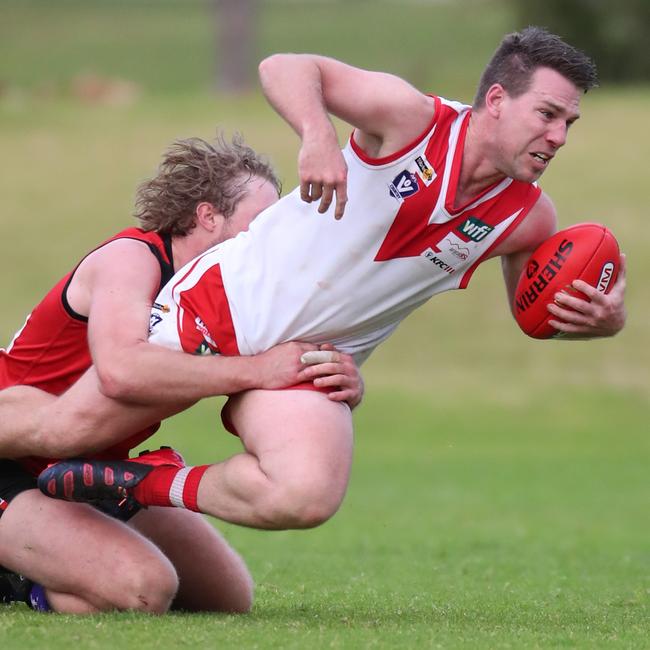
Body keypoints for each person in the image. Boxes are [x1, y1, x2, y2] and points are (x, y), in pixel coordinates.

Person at [38, 26, 626, 541]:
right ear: (496, 100)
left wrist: (601, 322)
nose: (558, 138)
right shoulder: (410, 120)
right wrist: (317, 136)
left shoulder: (529, 218)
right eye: (547, 115)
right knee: (63, 433)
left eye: (569, 123)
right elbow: (285, 68)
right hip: (221, 309)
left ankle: (142, 484)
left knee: (304, 495)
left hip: (306, 363)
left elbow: (537, 312)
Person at [0, 134, 364, 614]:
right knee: (142, 590)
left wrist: (337, 378)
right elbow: (120, 370)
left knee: (226, 598)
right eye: (259, 225)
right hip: (15, 452)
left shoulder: (234, 298)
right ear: (207, 216)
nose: (271, 243)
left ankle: (93, 515)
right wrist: (257, 368)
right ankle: (17, 580)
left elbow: (278, 376)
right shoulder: (132, 258)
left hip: (91, 468)